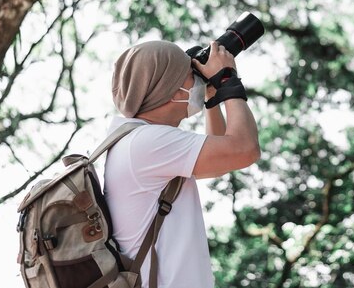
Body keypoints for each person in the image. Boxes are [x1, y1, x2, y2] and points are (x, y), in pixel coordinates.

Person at [104, 40, 260, 288]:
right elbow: (245, 149)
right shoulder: (147, 143)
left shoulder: (134, 142)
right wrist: (227, 78)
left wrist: (212, 95)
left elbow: (220, 163)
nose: (198, 80)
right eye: (192, 75)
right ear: (174, 91)